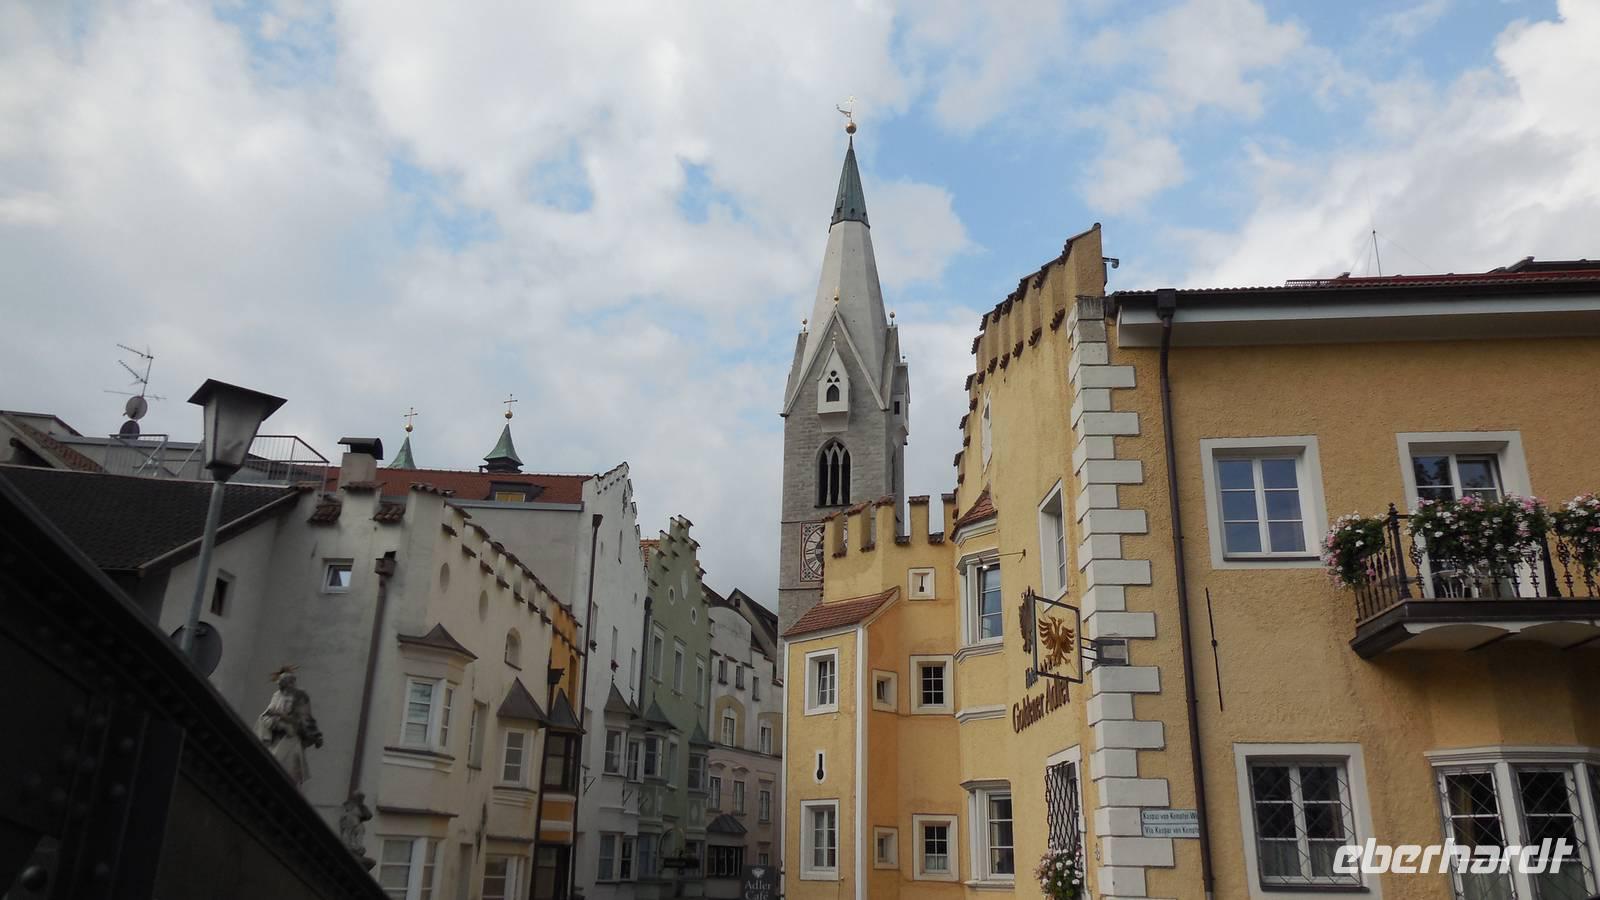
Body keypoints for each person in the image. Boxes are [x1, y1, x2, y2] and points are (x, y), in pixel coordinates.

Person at [255, 666, 324, 787]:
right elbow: (267, 714)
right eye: (283, 683)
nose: (288, 685)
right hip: (276, 738)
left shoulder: (300, 696)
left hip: (291, 738)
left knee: (287, 773)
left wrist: (315, 736)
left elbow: (306, 718)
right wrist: (273, 721)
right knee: (270, 769)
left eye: (290, 682)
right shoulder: (277, 695)